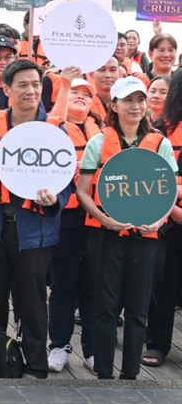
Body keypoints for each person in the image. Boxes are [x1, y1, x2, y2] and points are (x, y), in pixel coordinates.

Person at [76, 76, 178, 380]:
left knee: (138, 308)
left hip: (146, 238)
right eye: (128, 100)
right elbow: (82, 190)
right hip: (106, 235)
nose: (136, 106)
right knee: (105, 307)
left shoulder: (160, 142)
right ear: (115, 105)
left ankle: (131, 376)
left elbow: (168, 188)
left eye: (140, 100)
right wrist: (103, 218)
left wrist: (159, 220)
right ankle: (104, 374)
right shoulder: (99, 141)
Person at [0, 60, 67, 380]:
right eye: (22, 85)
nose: (31, 91)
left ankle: (36, 366)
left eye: (36, 84)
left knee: (31, 301)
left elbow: (66, 180)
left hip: (36, 230)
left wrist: (57, 198)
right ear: (7, 89)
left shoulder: (55, 130)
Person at [45, 69, 100, 373]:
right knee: (64, 284)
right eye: (75, 92)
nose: (81, 97)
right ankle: (59, 346)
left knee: (92, 285)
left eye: (87, 94)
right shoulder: (55, 126)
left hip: (96, 218)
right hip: (66, 216)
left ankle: (92, 348)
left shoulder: (101, 131)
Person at [145, 69, 182, 368]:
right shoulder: (159, 130)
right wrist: (173, 209)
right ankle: (157, 343)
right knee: (163, 282)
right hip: (168, 219)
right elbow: (151, 177)